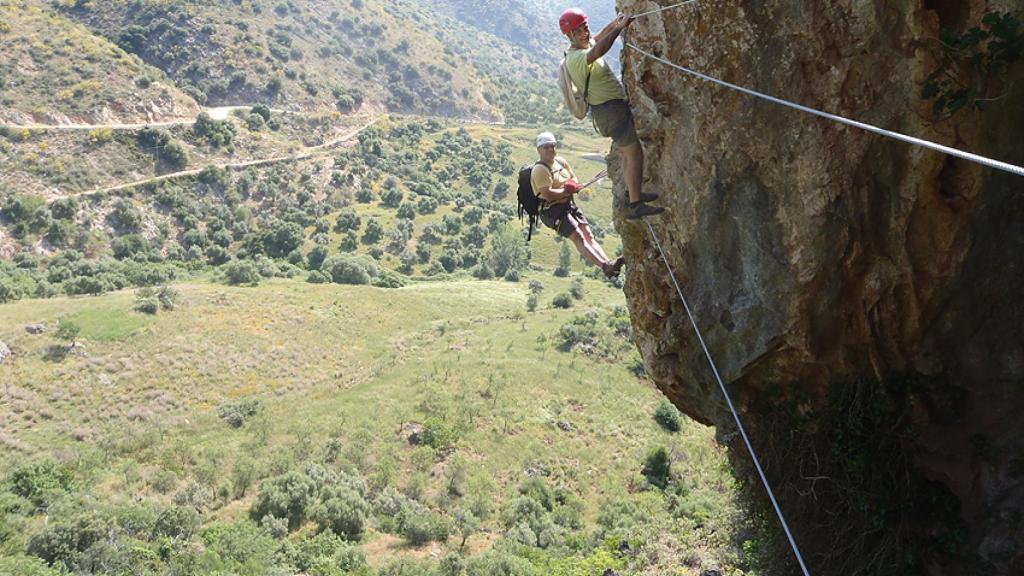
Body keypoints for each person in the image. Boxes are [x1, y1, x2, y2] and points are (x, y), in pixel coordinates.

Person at [560, 8, 663, 219]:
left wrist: (615, 22)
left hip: (610, 112)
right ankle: (635, 204)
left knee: (628, 153)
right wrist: (621, 29)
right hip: (610, 112)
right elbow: (599, 49)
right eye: (579, 30)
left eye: (585, 28)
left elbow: (598, 37)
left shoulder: (584, 44)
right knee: (635, 154)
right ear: (570, 35)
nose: (585, 33)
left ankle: (631, 192)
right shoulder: (576, 58)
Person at [530, 131, 624, 278]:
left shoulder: (560, 161)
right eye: (546, 147)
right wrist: (566, 191)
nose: (550, 150)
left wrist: (571, 185)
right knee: (578, 237)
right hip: (552, 211)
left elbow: (573, 177)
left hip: (567, 205)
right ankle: (605, 266)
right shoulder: (540, 170)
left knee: (588, 235)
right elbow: (547, 194)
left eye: (552, 146)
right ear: (539, 150)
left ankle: (608, 262)